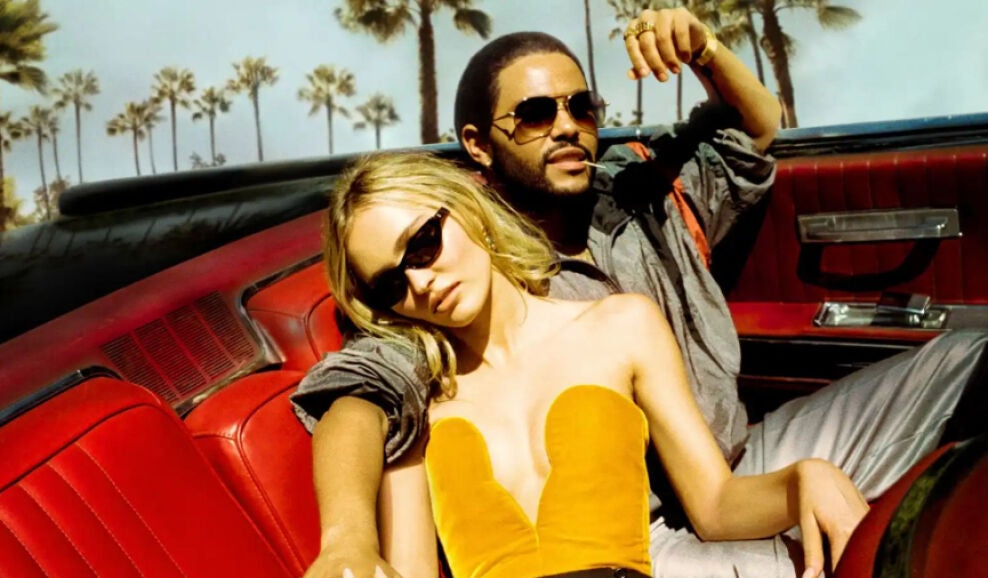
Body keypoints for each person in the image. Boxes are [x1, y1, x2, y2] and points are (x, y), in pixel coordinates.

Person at [294, 8, 988, 578]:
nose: (566, 125)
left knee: (970, 356)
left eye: (580, 106)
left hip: (738, 461)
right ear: (478, 146)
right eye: (533, 114)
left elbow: (756, 134)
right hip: (650, 522)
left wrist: (704, 49)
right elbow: (360, 393)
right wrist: (348, 538)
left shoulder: (638, 194)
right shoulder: (454, 303)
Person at [323, 151, 867, 578]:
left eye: (423, 244)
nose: (420, 282)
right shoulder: (417, 401)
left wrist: (803, 479)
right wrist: (346, 542)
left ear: (466, 209)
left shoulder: (621, 325)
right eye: (391, 283)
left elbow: (716, 506)